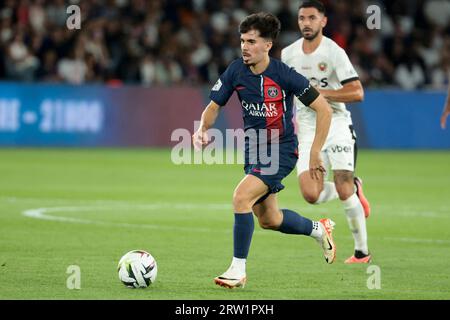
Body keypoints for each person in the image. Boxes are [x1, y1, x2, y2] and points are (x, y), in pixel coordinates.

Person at [192, 12, 335, 289]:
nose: (245, 47)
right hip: (253, 150)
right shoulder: (236, 70)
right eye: (243, 40)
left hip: (280, 150)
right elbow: (214, 106)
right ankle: (319, 229)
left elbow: (324, 109)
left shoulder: (284, 75)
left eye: (251, 41)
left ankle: (237, 270)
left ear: (267, 45)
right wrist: (202, 130)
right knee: (270, 219)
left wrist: (315, 152)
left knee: (240, 197)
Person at [281, 0, 371, 264]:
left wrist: (322, 94)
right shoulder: (288, 54)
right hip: (308, 129)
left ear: (323, 21)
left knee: (343, 189)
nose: (306, 23)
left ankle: (361, 252)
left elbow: (357, 92)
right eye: (301, 18)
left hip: (338, 125)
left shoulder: (334, 52)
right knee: (310, 195)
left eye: (312, 18)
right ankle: (355, 186)